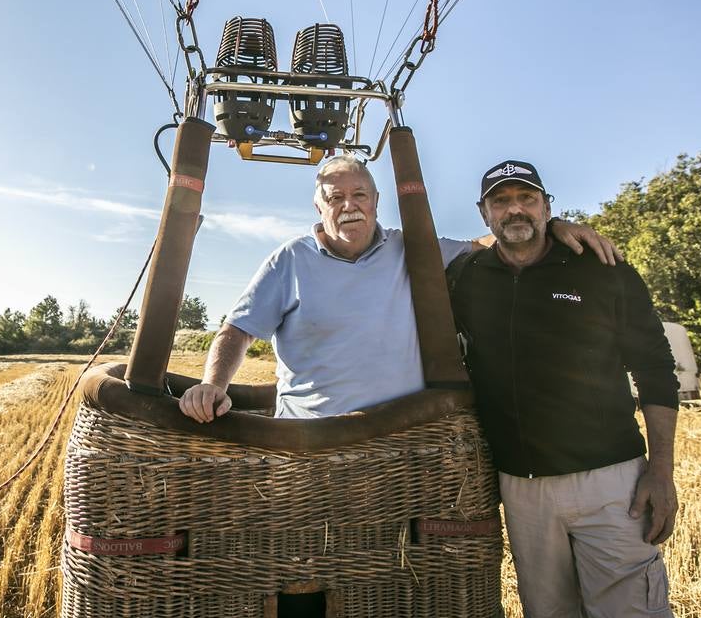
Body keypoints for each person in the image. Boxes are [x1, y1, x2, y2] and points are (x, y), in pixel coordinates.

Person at [178, 154, 618, 422]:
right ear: (319, 207)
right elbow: (238, 330)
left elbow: (486, 244)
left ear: (375, 201)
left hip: (395, 439)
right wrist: (214, 384)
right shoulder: (290, 259)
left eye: (359, 195)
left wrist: (551, 225)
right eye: (335, 198)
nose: (349, 205)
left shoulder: (413, 250)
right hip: (308, 439)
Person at [447, 159, 681, 618]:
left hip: (612, 482)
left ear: (548, 206)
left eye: (527, 199)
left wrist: (661, 470)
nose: (515, 209)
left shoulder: (602, 269)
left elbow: (656, 368)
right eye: (501, 201)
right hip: (522, 489)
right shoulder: (467, 277)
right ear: (484, 213)